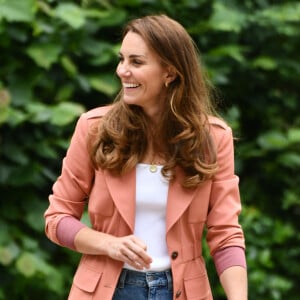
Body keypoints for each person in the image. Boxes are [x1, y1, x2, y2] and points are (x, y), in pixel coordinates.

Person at [44, 14, 247, 300]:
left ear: (170, 72)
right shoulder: (93, 128)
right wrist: (108, 244)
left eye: (136, 62)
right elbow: (57, 218)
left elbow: (225, 233)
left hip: (183, 291)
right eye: (121, 59)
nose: (122, 70)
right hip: (105, 291)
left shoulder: (213, 138)